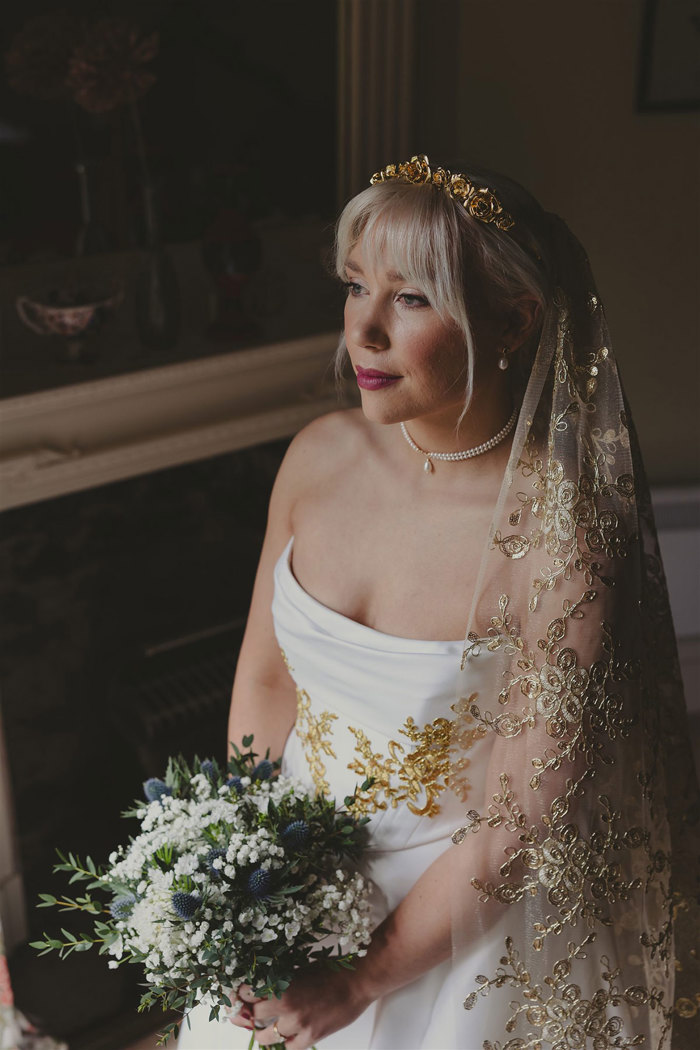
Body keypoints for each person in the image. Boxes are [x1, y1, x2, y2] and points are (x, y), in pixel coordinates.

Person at [177, 154, 699, 1050]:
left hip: (458, 926)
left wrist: (356, 983)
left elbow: (520, 824)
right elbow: (266, 678)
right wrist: (245, 874)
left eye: (410, 298)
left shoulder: (564, 536)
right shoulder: (317, 455)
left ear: (511, 319)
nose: (362, 333)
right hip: (287, 888)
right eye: (353, 288)